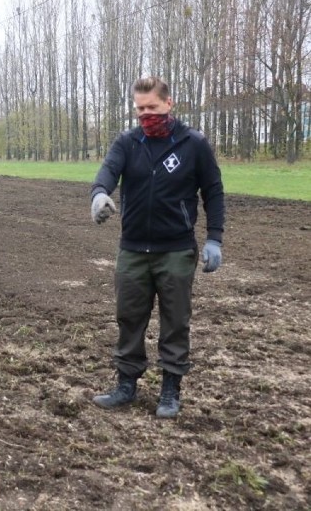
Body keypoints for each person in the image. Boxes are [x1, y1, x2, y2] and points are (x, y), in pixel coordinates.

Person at [90, 76, 225, 419]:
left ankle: (170, 390)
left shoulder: (193, 144)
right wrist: (100, 194)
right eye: (139, 108)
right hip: (133, 249)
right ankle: (126, 384)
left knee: (175, 320)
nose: (145, 114)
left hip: (176, 250)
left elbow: (213, 191)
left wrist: (214, 238)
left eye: (151, 107)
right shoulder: (128, 142)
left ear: (168, 103)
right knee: (129, 318)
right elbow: (108, 172)